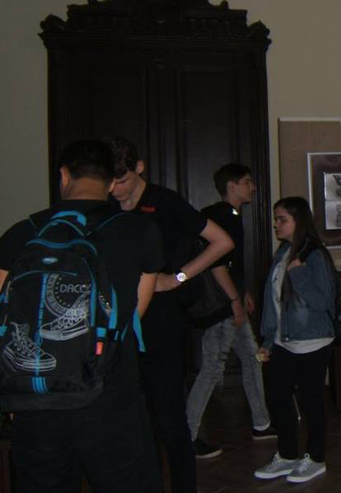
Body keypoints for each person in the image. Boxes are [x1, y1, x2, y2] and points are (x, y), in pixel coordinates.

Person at [0, 140, 164, 492]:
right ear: (111, 182)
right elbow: (133, 313)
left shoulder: (20, 233)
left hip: (35, 396)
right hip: (111, 393)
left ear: (63, 175)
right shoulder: (139, 231)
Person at [107, 136, 234, 493]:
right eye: (110, 181)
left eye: (122, 180)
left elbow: (223, 242)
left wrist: (177, 278)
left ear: (139, 168)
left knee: (170, 419)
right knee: (134, 422)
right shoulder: (106, 205)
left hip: (163, 323)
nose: (116, 189)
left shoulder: (165, 201)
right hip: (121, 324)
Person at [185, 163, 273, 459]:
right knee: (213, 368)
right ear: (232, 186)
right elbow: (217, 264)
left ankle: (261, 423)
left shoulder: (222, 214)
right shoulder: (225, 216)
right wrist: (234, 299)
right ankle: (187, 435)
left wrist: (241, 292)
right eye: (248, 182)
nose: (253, 187)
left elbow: (229, 264)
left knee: (251, 358)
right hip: (222, 306)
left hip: (227, 300)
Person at [254, 197, 336, 484]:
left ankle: (315, 458)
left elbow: (323, 300)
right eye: (276, 219)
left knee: (311, 400)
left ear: (298, 221)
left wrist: (298, 273)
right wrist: (268, 338)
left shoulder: (315, 254)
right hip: (283, 341)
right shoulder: (283, 252)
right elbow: (274, 301)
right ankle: (287, 455)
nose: (276, 224)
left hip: (313, 340)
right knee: (278, 397)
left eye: (282, 219)